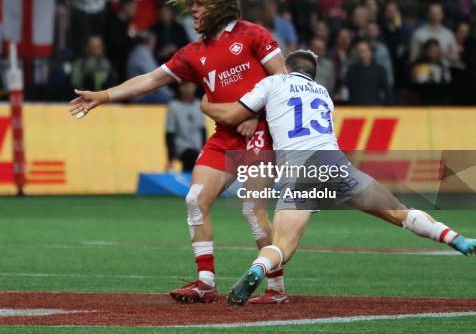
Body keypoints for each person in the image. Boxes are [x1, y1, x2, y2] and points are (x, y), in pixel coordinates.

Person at [68, 0, 287, 304]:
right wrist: (105, 95)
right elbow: (150, 80)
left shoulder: (253, 34)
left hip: (260, 132)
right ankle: (205, 282)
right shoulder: (193, 53)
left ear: (217, 4)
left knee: (251, 210)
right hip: (225, 136)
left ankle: (276, 289)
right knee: (195, 200)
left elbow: (283, 81)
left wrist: (254, 113)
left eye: (198, 5)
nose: (194, 12)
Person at [199, 50, 476, 306]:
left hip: (299, 170)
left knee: (282, 245)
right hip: (335, 163)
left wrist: (208, 105)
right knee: (400, 213)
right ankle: (456, 239)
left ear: (285, 67)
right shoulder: (323, 94)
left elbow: (235, 114)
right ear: (313, 74)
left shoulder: (273, 83)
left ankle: (258, 267)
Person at [166, 82, 206, 172]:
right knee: (192, 158)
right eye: (184, 85)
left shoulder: (199, 105)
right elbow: (170, 133)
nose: (188, 89)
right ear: (179, 87)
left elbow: (203, 130)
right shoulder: (173, 106)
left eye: (190, 85)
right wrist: (170, 157)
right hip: (181, 147)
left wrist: (205, 151)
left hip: (197, 147)